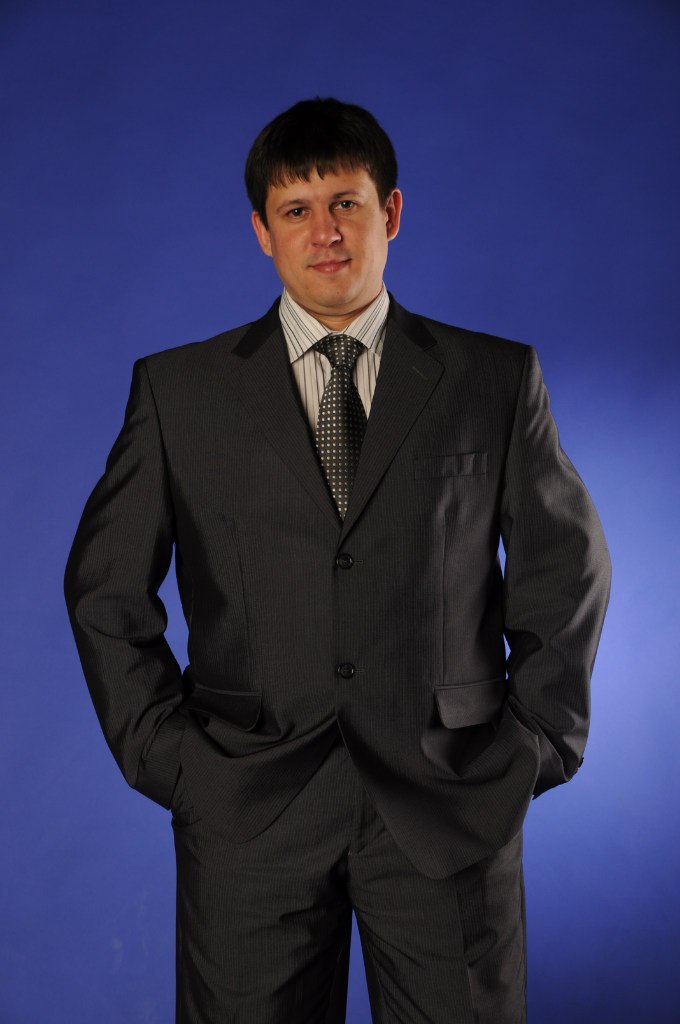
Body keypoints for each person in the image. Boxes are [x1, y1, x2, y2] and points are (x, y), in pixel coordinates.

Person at [64, 97, 611, 1023]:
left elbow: (569, 570)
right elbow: (104, 589)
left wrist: (533, 746)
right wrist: (170, 761)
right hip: (247, 811)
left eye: (346, 204)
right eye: (296, 210)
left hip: (449, 806)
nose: (324, 233)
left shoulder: (492, 379)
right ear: (262, 232)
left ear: (389, 213)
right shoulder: (179, 392)